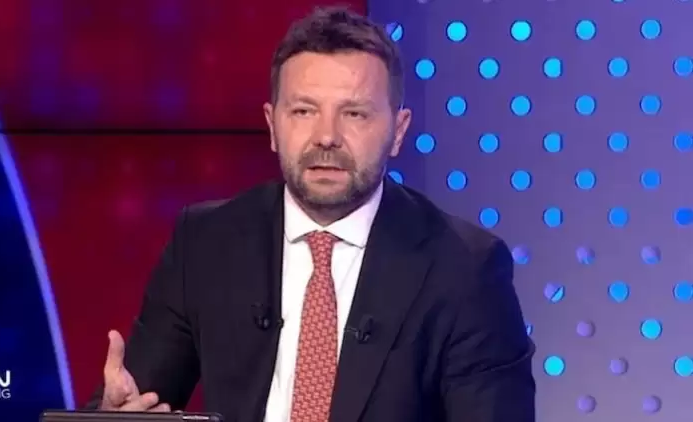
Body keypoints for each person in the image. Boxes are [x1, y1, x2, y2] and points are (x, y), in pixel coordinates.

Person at [86, 6, 535, 422]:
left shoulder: (464, 269)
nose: (326, 137)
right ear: (272, 125)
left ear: (398, 132)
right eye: (303, 111)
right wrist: (110, 415)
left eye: (354, 114)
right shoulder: (206, 243)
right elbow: (135, 402)